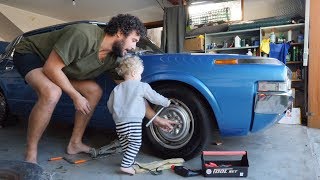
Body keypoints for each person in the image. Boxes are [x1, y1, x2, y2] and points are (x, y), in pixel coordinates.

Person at [12, 14, 176, 164]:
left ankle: (74, 143)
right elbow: (51, 68)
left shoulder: (114, 59)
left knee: (94, 91)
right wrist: (75, 96)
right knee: (52, 92)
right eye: (133, 40)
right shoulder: (83, 35)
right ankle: (31, 152)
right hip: (33, 55)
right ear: (120, 33)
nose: (134, 47)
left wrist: (157, 119)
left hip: (59, 67)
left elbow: (133, 91)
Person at [107, 56, 173, 175]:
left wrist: (115, 114)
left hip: (119, 124)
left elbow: (110, 105)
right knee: (135, 143)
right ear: (133, 73)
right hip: (133, 123)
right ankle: (126, 165)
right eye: (140, 74)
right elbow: (154, 97)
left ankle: (129, 161)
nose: (140, 77)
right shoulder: (142, 86)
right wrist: (166, 102)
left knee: (127, 144)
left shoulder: (116, 89)